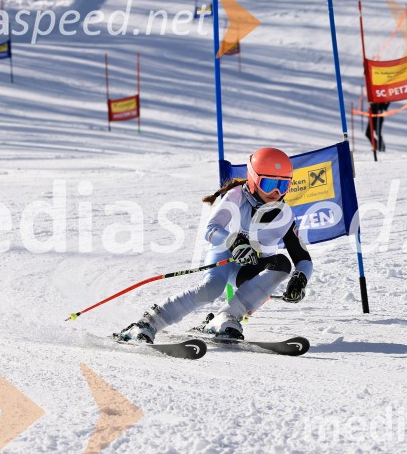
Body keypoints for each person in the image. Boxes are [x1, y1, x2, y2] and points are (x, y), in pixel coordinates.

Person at [116, 147, 313, 343]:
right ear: (253, 179)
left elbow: (303, 258)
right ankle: (148, 322)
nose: (276, 192)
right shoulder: (236, 197)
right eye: (268, 184)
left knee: (283, 264)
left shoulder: (284, 215)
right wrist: (235, 242)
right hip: (224, 257)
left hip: (250, 268)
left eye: (283, 185)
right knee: (211, 288)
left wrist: (301, 279)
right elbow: (211, 229)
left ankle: (226, 317)